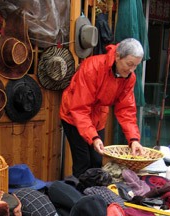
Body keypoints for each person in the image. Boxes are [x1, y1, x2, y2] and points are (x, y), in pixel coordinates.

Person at [60, 38, 145, 178]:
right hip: (73, 115)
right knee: (83, 161)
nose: (132, 69)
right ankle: (79, 197)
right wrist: (93, 137)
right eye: (129, 64)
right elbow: (80, 109)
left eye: (136, 66)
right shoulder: (92, 67)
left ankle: (95, 194)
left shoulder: (130, 77)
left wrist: (133, 139)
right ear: (118, 56)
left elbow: (126, 110)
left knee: (97, 160)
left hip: (98, 116)